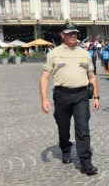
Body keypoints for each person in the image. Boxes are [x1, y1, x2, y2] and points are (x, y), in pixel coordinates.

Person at [39, 22, 100, 175]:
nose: (73, 36)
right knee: (63, 128)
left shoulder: (84, 53)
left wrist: (97, 97)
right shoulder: (54, 53)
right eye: (70, 33)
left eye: (75, 33)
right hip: (61, 95)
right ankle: (65, 148)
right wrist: (44, 99)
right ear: (63, 35)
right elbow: (44, 78)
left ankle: (86, 162)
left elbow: (92, 77)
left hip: (81, 95)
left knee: (83, 128)